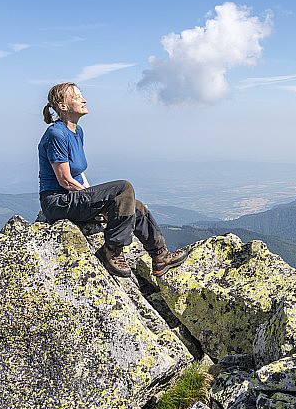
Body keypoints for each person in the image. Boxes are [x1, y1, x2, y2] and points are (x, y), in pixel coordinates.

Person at [38, 82, 188, 278]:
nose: (83, 100)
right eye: (76, 97)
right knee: (124, 188)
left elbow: (78, 174)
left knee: (133, 205)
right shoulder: (56, 133)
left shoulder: (77, 132)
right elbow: (65, 180)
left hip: (72, 198)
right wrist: (96, 202)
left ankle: (160, 255)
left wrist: (100, 203)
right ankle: (112, 249)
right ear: (62, 106)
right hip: (58, 203)